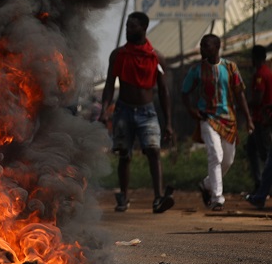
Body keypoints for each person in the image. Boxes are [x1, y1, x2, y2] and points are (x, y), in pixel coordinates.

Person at [98, 12, 175, 213]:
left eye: (132, 26)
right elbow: (108, 85)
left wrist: (168, 123)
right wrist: (104, 109)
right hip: (123, 110)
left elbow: (163, 91)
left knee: (153, 151)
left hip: (147, 112)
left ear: (143, 28)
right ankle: (123, 196)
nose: (128, 30)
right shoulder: (118, 55)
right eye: (127, 26)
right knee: (124, 154)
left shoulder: (156, 57)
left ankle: (158, 198)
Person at [181, 34, 254, 211]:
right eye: (201, 45)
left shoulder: (230, 68)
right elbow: (184, 92)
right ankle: (217, 198)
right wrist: (192, 110)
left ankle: (206, 184)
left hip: (229, 119)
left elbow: (240, 94)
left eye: (205, 46)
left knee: (228, 160)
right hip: (207, 118)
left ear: (216, 47)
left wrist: (248, 119)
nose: (202, 49)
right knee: (215, 155)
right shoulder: (196, 70)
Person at [246, 44, 272, 192]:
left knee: (265, 154)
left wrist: (241, 106)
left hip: (262, 119)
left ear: (254, 58)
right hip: (263, 119)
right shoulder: (268, 72)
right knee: (252, 149)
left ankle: (264, 186)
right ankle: (260, 183)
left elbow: (258, 99)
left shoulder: (260, 75)